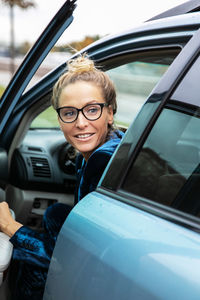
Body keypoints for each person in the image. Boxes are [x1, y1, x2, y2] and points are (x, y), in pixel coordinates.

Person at [0, 54, 124, 299]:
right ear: (59, 119)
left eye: (92, 110)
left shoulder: (103, 161)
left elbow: (66, 260)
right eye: (69, 113)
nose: (80, 123)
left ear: (109, 113)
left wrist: (10, 226)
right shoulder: (110, 147)